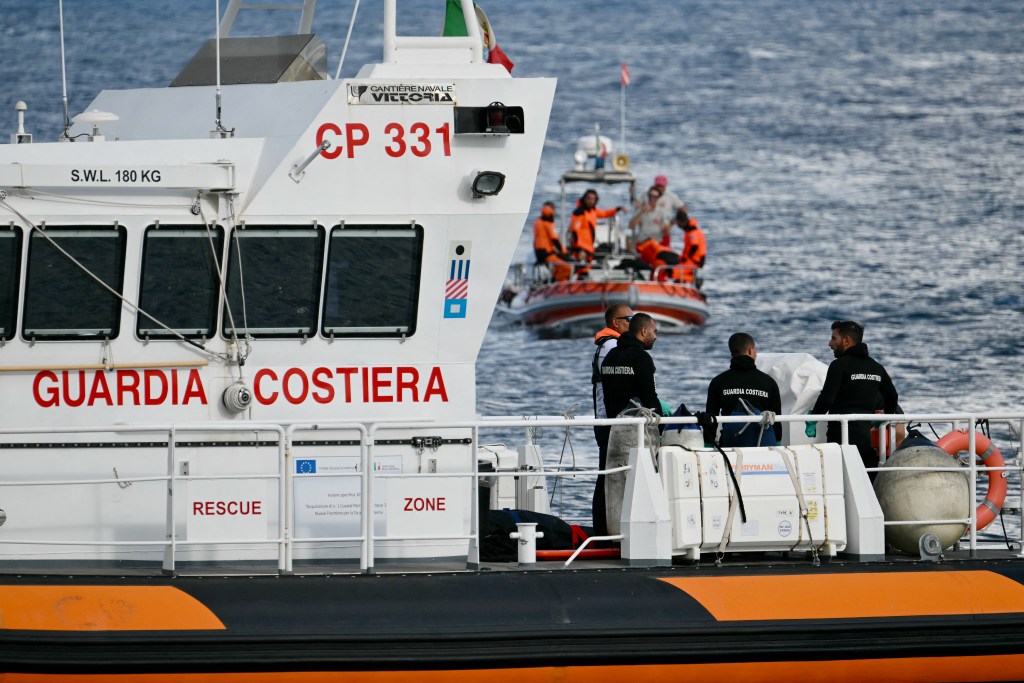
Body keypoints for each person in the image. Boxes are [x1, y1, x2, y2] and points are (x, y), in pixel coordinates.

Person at [808, 320, 900, 473]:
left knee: (840, 477)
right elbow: (892, 396)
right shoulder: (876, 367)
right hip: (868, 439)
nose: (829, 343)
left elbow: (827, 399)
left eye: (833, 338)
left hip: (841, 437)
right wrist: (883, 419)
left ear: (847, 341)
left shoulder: (839, 365)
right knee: (866, 477)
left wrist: (812, 419)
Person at [590, 304, 634, 536]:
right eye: (629, 319)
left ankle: (606, 529)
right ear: (615, 322)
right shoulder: (611, 346)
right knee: (607, 476)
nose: (633, 323)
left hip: (612, 418)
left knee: (610, 475)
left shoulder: (612, 345)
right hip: (609, 421)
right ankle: (604, 530)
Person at [704, 333, 782, 446]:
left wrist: (708, 447)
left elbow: (710, 420)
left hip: (729, 445)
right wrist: (777, 446)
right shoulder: (768, 382)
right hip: (763, 447)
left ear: (732, 352)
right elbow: (776, 421)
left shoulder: (718, 382)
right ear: (751, 350)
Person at [600, 312, 661, 420]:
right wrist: (661, 426)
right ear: (644, 331)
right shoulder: (641, 357)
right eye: (654, 332)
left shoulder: (610, 356)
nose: (655, 337)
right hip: (635, 428)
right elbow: (649, 398)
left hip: (611, 427)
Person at [569, 189, 623, 278]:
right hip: (581, 247)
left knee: (586, 269)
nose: (590, 201)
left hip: (589, 247)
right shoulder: (579, 212)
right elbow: (575, 231)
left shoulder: (593, 211)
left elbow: (605, 213)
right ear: (584, 199)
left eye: (593, 199)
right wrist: (579, 249)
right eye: (588, 198)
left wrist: (617, 209)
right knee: (579, 269)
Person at [532, 201, 570, 281]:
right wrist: (565, 253)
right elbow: (555, 240)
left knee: (558, 268)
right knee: (568, 267)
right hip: (547, 253)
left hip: (541, 254)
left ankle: (557, 281)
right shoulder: (547, 223)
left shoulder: (537, 222)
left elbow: (535, 242)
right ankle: (557, 282)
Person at [673, 208, 706, 283]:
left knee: (674, 272)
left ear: (681, 221)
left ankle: (694, 280)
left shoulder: (693, 232)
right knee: (676, 270)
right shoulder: (689, 231)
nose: (677, 225)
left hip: (694, 260)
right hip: (691, 260)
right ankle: (689, 280)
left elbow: (694, 246)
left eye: (678, 223)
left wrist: (686, 258)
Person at [653, 174, 685, 245]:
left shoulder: (670, 196)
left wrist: (673, 222)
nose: (660, 188)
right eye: (658, 185)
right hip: (650, 230)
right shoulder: (650, 195)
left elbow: (683, 209)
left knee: (664, 251)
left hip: (664, 231)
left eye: (662, 186)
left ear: (665, 185)